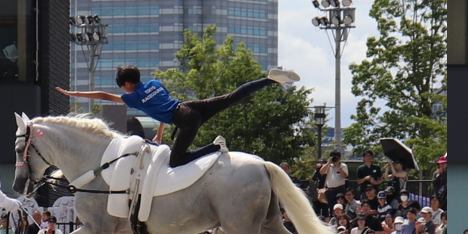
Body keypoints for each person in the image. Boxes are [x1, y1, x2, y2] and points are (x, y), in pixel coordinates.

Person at [54, 64, 299, 168]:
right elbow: (162, 109)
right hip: (190, 107)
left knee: (176, 161)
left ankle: (215, 147)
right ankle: (270, 79)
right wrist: (160, 134)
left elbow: (103, 96)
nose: (122, 91)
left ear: (127, 84)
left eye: (122, 86)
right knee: (232, 97)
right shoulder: (154, 83)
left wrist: (73, 92)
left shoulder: (132, 97)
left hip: (185, 119)